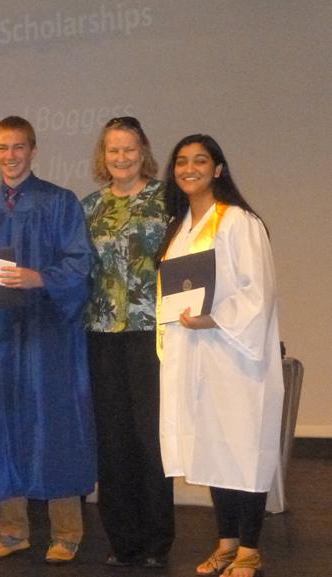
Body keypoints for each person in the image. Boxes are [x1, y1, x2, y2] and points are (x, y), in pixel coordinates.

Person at [0, 116, 96, 564]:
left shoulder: (60, 202)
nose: (10, 156)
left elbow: (80, 266)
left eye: (18, 148)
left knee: (56, 426)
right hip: (0, 336)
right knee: (4, 425)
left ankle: (66, 532)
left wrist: (39, 278)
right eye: (2, 148)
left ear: (33, 150)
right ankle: (12, 529)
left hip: (49, 335)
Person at [156, 135, 284, 577]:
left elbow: (258, 291)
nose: (189, 168)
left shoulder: (238, 222)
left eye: (200, 160)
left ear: (218, 169)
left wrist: (213, 319)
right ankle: (226, 542)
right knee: (213, 449)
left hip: (236, 358)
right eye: (181, 162)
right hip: (195, 357)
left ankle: (250, 547)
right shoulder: (180, 227)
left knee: (243, 449)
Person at [81, 117, 174, 568]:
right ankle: (122, 542)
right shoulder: (89, 207)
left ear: (144, 151)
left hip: (151, 335)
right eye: (113, 150)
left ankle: (156, 543)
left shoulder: (166, 200)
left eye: (129, 150)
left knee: (150, 439)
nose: (121, 158)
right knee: (113, 440)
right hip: (101, 335)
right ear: (104, 155)